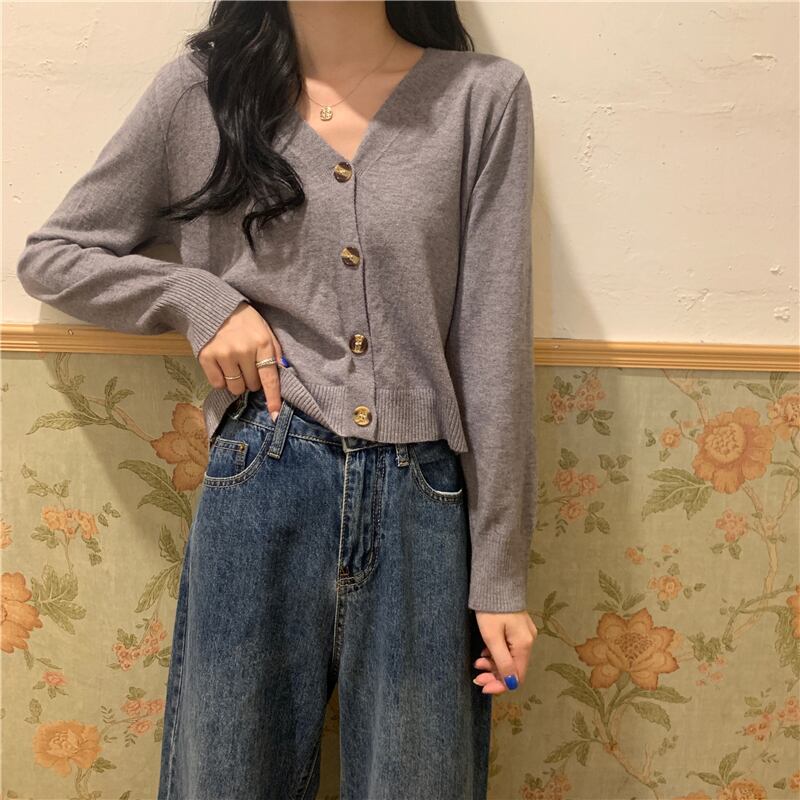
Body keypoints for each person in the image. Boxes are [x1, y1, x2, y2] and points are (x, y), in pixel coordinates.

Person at [16, 1, 539, 797]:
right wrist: (199, 298)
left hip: (423, 505)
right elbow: (56, 256)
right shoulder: (200, 95)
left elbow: (492, 341)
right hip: (263, 475)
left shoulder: (482, 97)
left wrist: (499, 576)